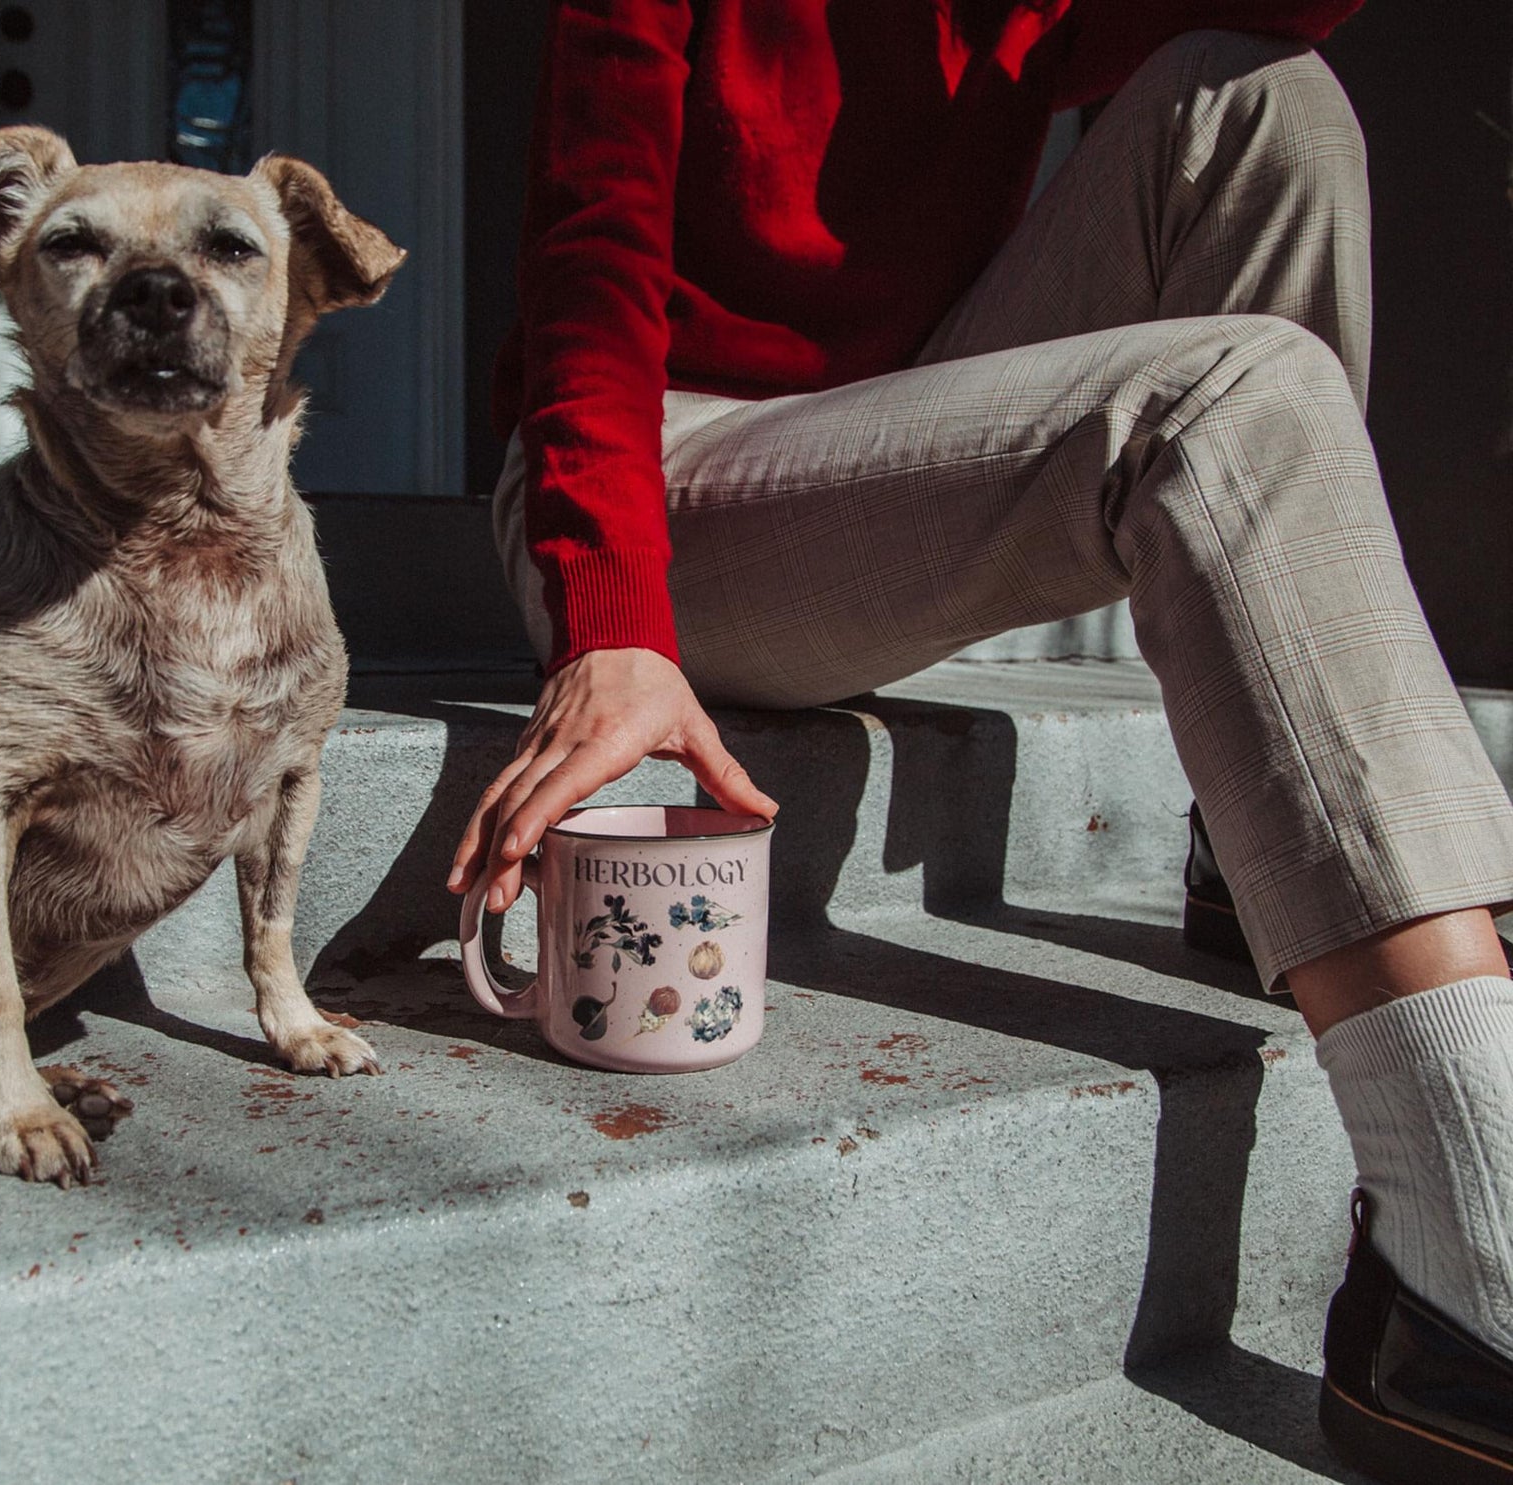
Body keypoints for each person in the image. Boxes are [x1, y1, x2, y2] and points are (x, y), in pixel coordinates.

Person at [446, 4, 1513, 1478]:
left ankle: (1266, 817)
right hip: (665, 472)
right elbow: (591, 257)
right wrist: (611, 614)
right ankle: (1473, 1265)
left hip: (898, 416)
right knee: (1229, 395)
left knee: (1264, 103)